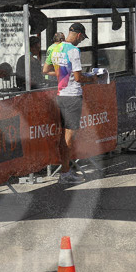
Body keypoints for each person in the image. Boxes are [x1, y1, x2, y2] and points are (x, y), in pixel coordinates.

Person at [43, 22, 95, 184]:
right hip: (72, 95)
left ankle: (65, 171)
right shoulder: (73, 50)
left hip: (61, 95)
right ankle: (65, 173)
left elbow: (46, 70)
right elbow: (79, 78)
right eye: (82, 38)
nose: (81, 41)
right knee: (69, 137)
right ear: (79, 35)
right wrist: (92, 78)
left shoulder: (56, 47)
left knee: (63, 136)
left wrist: (61, 75)